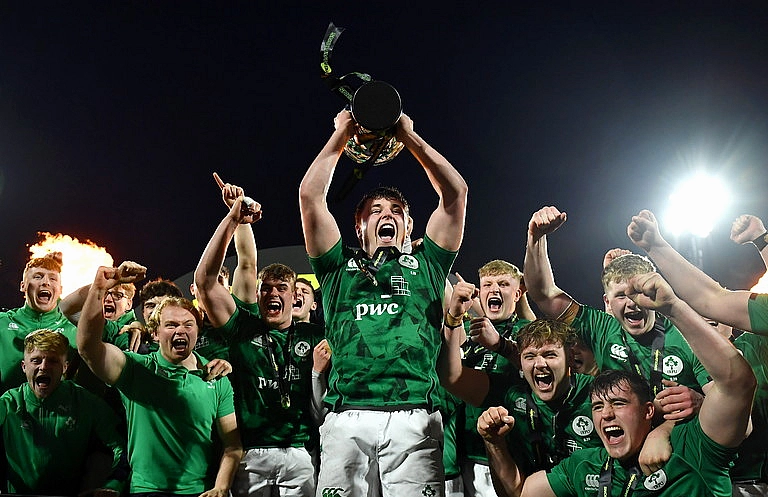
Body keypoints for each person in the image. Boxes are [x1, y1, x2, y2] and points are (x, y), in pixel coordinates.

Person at [299, 109, 468, 496]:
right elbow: (310, 197)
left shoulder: (429, 264)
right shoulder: (336, 266)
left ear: (409, 227)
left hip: (414, 418)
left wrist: (408, 134)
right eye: (375, 212)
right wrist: (341, 135)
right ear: (359, 227)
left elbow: (455, 194)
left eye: (396, 213)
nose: (386, 216)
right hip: (347, 416)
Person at [477, 271, 756, 496]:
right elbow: (518, 492)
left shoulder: (692, 448)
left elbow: (738, 387)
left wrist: (673, 308)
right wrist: (494, 443)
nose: (606, 413)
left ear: (649, 410)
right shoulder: (588, 465)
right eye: (597, 406)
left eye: (619, 403)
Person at [524, 206, 710, 422]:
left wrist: (703, 402)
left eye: (640, 292)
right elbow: (544, 295)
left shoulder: (686, 334)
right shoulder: (602, 328)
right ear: (607, 302)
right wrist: (536, 238)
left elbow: (732, 400)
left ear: (655, 289)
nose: (632, 303)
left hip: (685, 446)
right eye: (621, 295)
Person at [628, 211, 768, 495]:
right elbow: (711, 298)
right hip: (736, 479)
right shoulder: (737, 350)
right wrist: (656, 246)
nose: (711, 328)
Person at [195, 195, 325, 497]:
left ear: (294, 298)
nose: (272, 294)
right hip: (251, 453)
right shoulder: (242, 328)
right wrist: (232, 219)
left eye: (281, 288)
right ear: (258, 295)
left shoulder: (314, 336)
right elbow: (204, 281)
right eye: (265, 289)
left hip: (300, 451)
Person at [78, 262, 243, 497]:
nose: (180, 331)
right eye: (171, 325)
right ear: (154, 333)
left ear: (198, 331)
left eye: (188, 325)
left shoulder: (216, 377)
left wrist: (221, 487)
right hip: (145, 492)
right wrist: (98, 289)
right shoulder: (135, 369)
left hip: (198, 493)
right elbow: (88, 348)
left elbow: (233, 445)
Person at [442, 318, 603, 482]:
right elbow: (453, 377)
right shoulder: (514, 394)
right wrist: (453, 318)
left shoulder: (598, 395)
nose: (539, 364)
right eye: (530, 356)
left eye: (550, 355)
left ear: (570, 358)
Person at [0, 328, 126, 495]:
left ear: (65, 367)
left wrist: (114, 485)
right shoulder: (9, 403)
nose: (43, 367)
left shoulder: (84, 402)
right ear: (24, 366)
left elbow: (125, 447)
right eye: (36, 360)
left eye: (52, 361)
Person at [443, 261, 532, 497]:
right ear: (479, 292)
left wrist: (502, 345)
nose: (494, 289)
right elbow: (448, 310)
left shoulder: (529, 331)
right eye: (487, 285)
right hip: (464, 452)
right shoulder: (468, 333)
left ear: (517, 293)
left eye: (503, 284)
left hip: (508, 454)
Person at [0, 252, 79, 394]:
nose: (46, 282)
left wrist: (131, 324)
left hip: (62, 414)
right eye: (38, 276)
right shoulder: (3, 323)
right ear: (23, 286)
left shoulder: (75, 328)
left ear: (60, 290)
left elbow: (114, 335)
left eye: (53, 279)